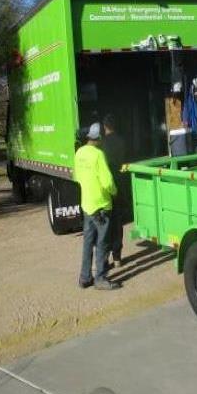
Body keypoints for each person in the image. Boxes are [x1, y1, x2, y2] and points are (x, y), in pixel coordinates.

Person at [74, 123, 120, 290]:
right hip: (101, 206)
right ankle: (100, 278)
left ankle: (85, 277)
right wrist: (115, 191)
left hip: (87, 205)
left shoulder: (79, 153)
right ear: (99, 138)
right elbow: (107, 181)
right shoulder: (99, 155)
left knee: (88, 242)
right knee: (102, 242)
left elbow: (77, 177)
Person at [101, 113, 128, 268]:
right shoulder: (122, 141)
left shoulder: (102, 145)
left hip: (107, 187)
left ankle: (104, 256)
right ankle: (117, 257)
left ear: (105, 127)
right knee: (118, 223)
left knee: (106, 223)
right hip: (120, 185)